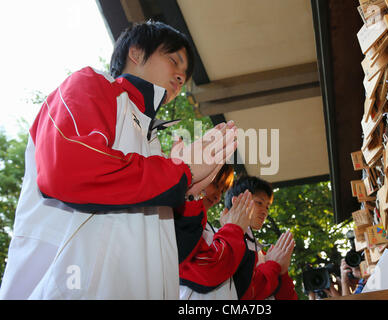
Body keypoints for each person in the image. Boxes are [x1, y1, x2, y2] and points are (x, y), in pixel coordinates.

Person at [0, 20, 237, 299]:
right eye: (174, 60)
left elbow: (174, 256)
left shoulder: (152, 144)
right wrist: (179, 172)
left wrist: (187, 192)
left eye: (185, 75)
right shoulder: (91, 83)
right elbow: (72, 170)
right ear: (135, 53)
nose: (180, 77)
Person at [179, 175, 298, 300]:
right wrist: (273, 267)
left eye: (267, 206)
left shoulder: (265, 253)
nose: (265, 211)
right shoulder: (214, 240)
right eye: (259, 203)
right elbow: (244, 290)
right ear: (237, 201)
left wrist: (282, 272)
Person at [177, 164, 254, 299]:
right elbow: (206, 271)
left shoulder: (209, 229)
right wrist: (233, 230)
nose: (217, 196)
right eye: (215, 184)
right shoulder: (176, 217)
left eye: (222, 191)